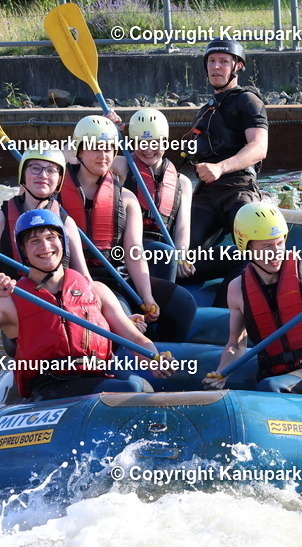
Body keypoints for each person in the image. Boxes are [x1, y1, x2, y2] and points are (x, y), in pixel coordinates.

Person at [0, 209, 171, 401]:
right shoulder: (10, 300)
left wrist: (153, 358)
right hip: (50, 388)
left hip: (97, 378)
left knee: (140, 385)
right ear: (24, 252)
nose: (45, 246)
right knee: (132, 390)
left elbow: (136, 339)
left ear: (63, 243)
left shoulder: (97, 290)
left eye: (51, 238)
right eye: (34, 241)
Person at [61, 115, 196, 343]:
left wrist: (147, 296)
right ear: (79, 151)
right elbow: (48, 157)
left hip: (116, 274)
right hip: (77, 279)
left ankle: (161, 351)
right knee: (120, 313)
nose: (103, 156)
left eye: (108, 148)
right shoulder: (57, 191)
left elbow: (134, 251)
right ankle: (131, 341)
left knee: (183, 304)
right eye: (94, 148)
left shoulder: (126, 198)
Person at [204, 202, 302, 397]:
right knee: (268, 385)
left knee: (270, 387)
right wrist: (222, 372)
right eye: (266, 246)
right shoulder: (236, 289)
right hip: (276, 375)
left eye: (280, 243)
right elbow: (235, 345)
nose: (276, 252)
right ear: (247, 246)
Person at [181, 39, 268, 282]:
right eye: (211, 61)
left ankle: (239, 292)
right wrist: (123, 130)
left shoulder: (248, 101)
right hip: (206, 193)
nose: (216, 67)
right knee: (178, 256)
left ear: (237, 66)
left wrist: (221, 167)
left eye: (223, 62)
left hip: (238, 188)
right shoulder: (206, 109)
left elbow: (259, 147)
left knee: (257, 251)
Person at [0, 146, 89, 283]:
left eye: (51, 170)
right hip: (11, 298)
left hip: (52, 301)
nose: (43, 175)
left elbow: (84, 279)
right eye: (35, 168)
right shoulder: (0, 219)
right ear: (23, 174)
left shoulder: (66, 222)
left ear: (59, 179)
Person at [110, 108, 194, 282]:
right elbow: (72, 157)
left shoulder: (183, 182)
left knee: (233, 255)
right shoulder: (123, 166)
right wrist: (106, 131)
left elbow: (182, 228)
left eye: (155, 142)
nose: (148, 149)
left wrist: (182, 256)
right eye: (142, 142)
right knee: (165, 254)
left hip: (166, 250)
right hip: (131, 248)